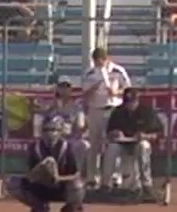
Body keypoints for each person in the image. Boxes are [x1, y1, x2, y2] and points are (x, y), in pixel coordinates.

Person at [4, 116, 85, 212]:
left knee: (77, 185)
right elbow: (29, 173)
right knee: (12, 183)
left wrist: (58, 178)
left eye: (54, 130)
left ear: (61, 131)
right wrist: (40, 173)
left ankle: (72, 210)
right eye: (46, 130)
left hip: (62, 186)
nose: (50, 133)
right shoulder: (35, 147)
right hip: (40, 185)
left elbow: (76, 174)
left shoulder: (68, 147)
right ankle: (39, 208)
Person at [80, 46, 130, 188]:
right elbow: (83, 94)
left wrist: (115, 92)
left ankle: (115, 176)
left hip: (113, 109)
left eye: (101, 61)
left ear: (106, 59)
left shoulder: (118, 71)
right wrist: (92, 89)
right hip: (95, 109)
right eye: (96, 62)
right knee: (94, 144)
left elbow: (128, 91)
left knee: (113, 143)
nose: (98, 64)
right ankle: (92, 177)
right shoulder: (89, 73)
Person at [104, 87, 163, 198]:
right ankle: (106, 185)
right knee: (112, 148)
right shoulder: (118, 112)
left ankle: (146, 185)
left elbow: (158, 133)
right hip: (122, 143)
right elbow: (109, 132)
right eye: (128, 102)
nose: (130, 105)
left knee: (143, 146)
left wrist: (145, 136)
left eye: (133, 102)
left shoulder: (147, 112)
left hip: (139, 143)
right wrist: (114, 133)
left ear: (137, 100)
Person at [38, 76, 88, 171]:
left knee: (83, 145)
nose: (64, 90)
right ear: (57, 88)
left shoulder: (76, 107)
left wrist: (77, 133)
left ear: (71, 89)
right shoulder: (49, 105)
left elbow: (80, 127)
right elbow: (42, 123)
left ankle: (75, 174)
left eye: (67, 87)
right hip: (51, 137)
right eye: (62, 87)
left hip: (70, 137)